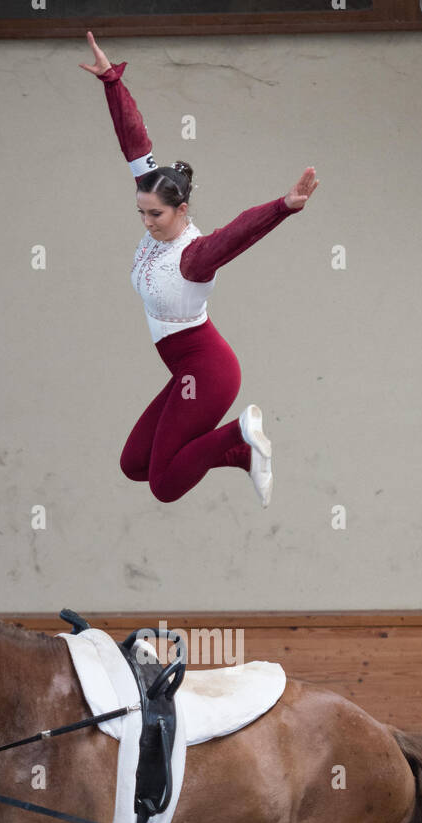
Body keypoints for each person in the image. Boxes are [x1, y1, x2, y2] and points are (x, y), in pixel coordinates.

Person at [80, 31, 318, 507]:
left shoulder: (192, 255)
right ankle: (240, 453)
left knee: (165, 485)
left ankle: (240, 433)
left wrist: (284, 206)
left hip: (205, 369)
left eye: (157, 215)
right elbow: (133, 141)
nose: (148, 223)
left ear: (182, 210)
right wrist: (112, 83)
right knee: (135, 465)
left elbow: (237, 234)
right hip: (185, 369)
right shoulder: (156, 203)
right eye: (141, 214)